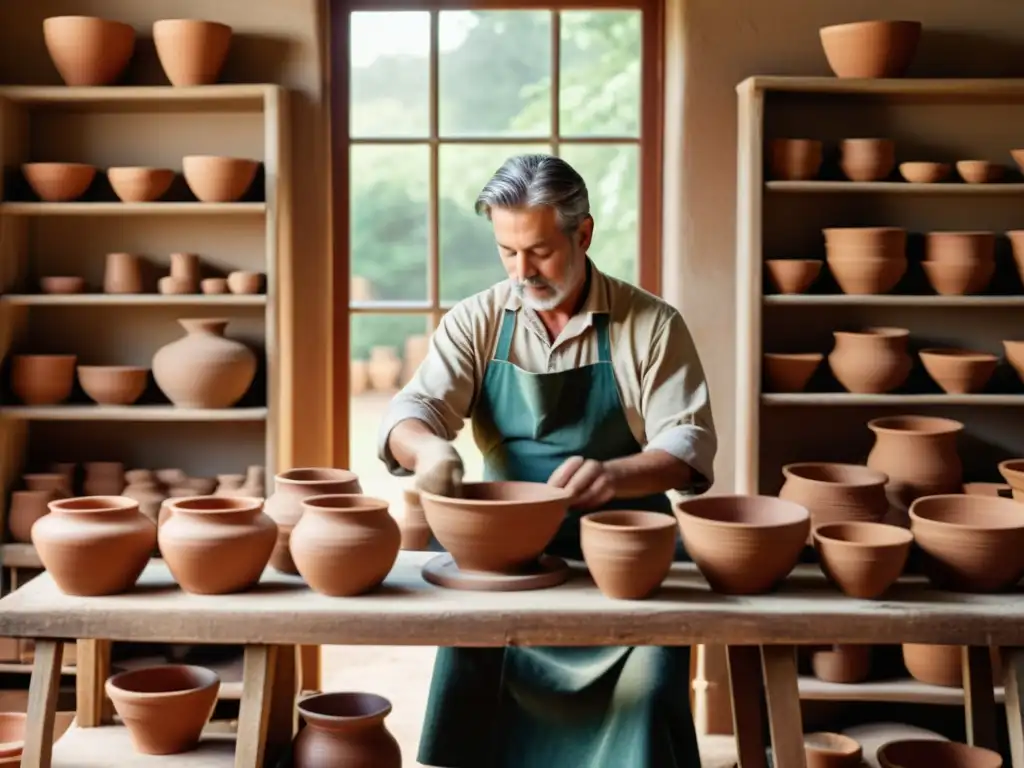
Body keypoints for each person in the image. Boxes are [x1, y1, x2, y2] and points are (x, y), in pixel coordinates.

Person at [377, 153, 717, 768]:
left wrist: (617, 475)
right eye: (507, 252)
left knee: (645, 689)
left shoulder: (651, 325)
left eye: (537, 251)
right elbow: (414, 408)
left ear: (582, 233)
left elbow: (687, 444)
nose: (521, 270)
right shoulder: (478, 321)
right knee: (475, 688)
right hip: (503, 562)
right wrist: (425, 446)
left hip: (624, 564)